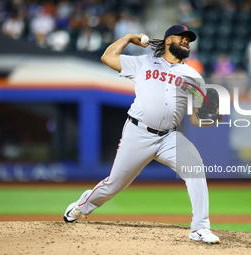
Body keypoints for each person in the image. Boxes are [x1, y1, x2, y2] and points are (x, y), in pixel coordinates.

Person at [63, 25, 221, 244]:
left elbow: (195, 119)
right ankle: (82, 206)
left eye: (188, 39)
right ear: (168, 41)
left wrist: (210, 119)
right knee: (114, 184)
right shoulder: (144, 63)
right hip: (138, 132)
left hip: (168, 137)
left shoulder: (193, 76)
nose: (186, 41)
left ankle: (200, 227)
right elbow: (107, 57)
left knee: (195, 168)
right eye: (181, 37)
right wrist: (128, 37)